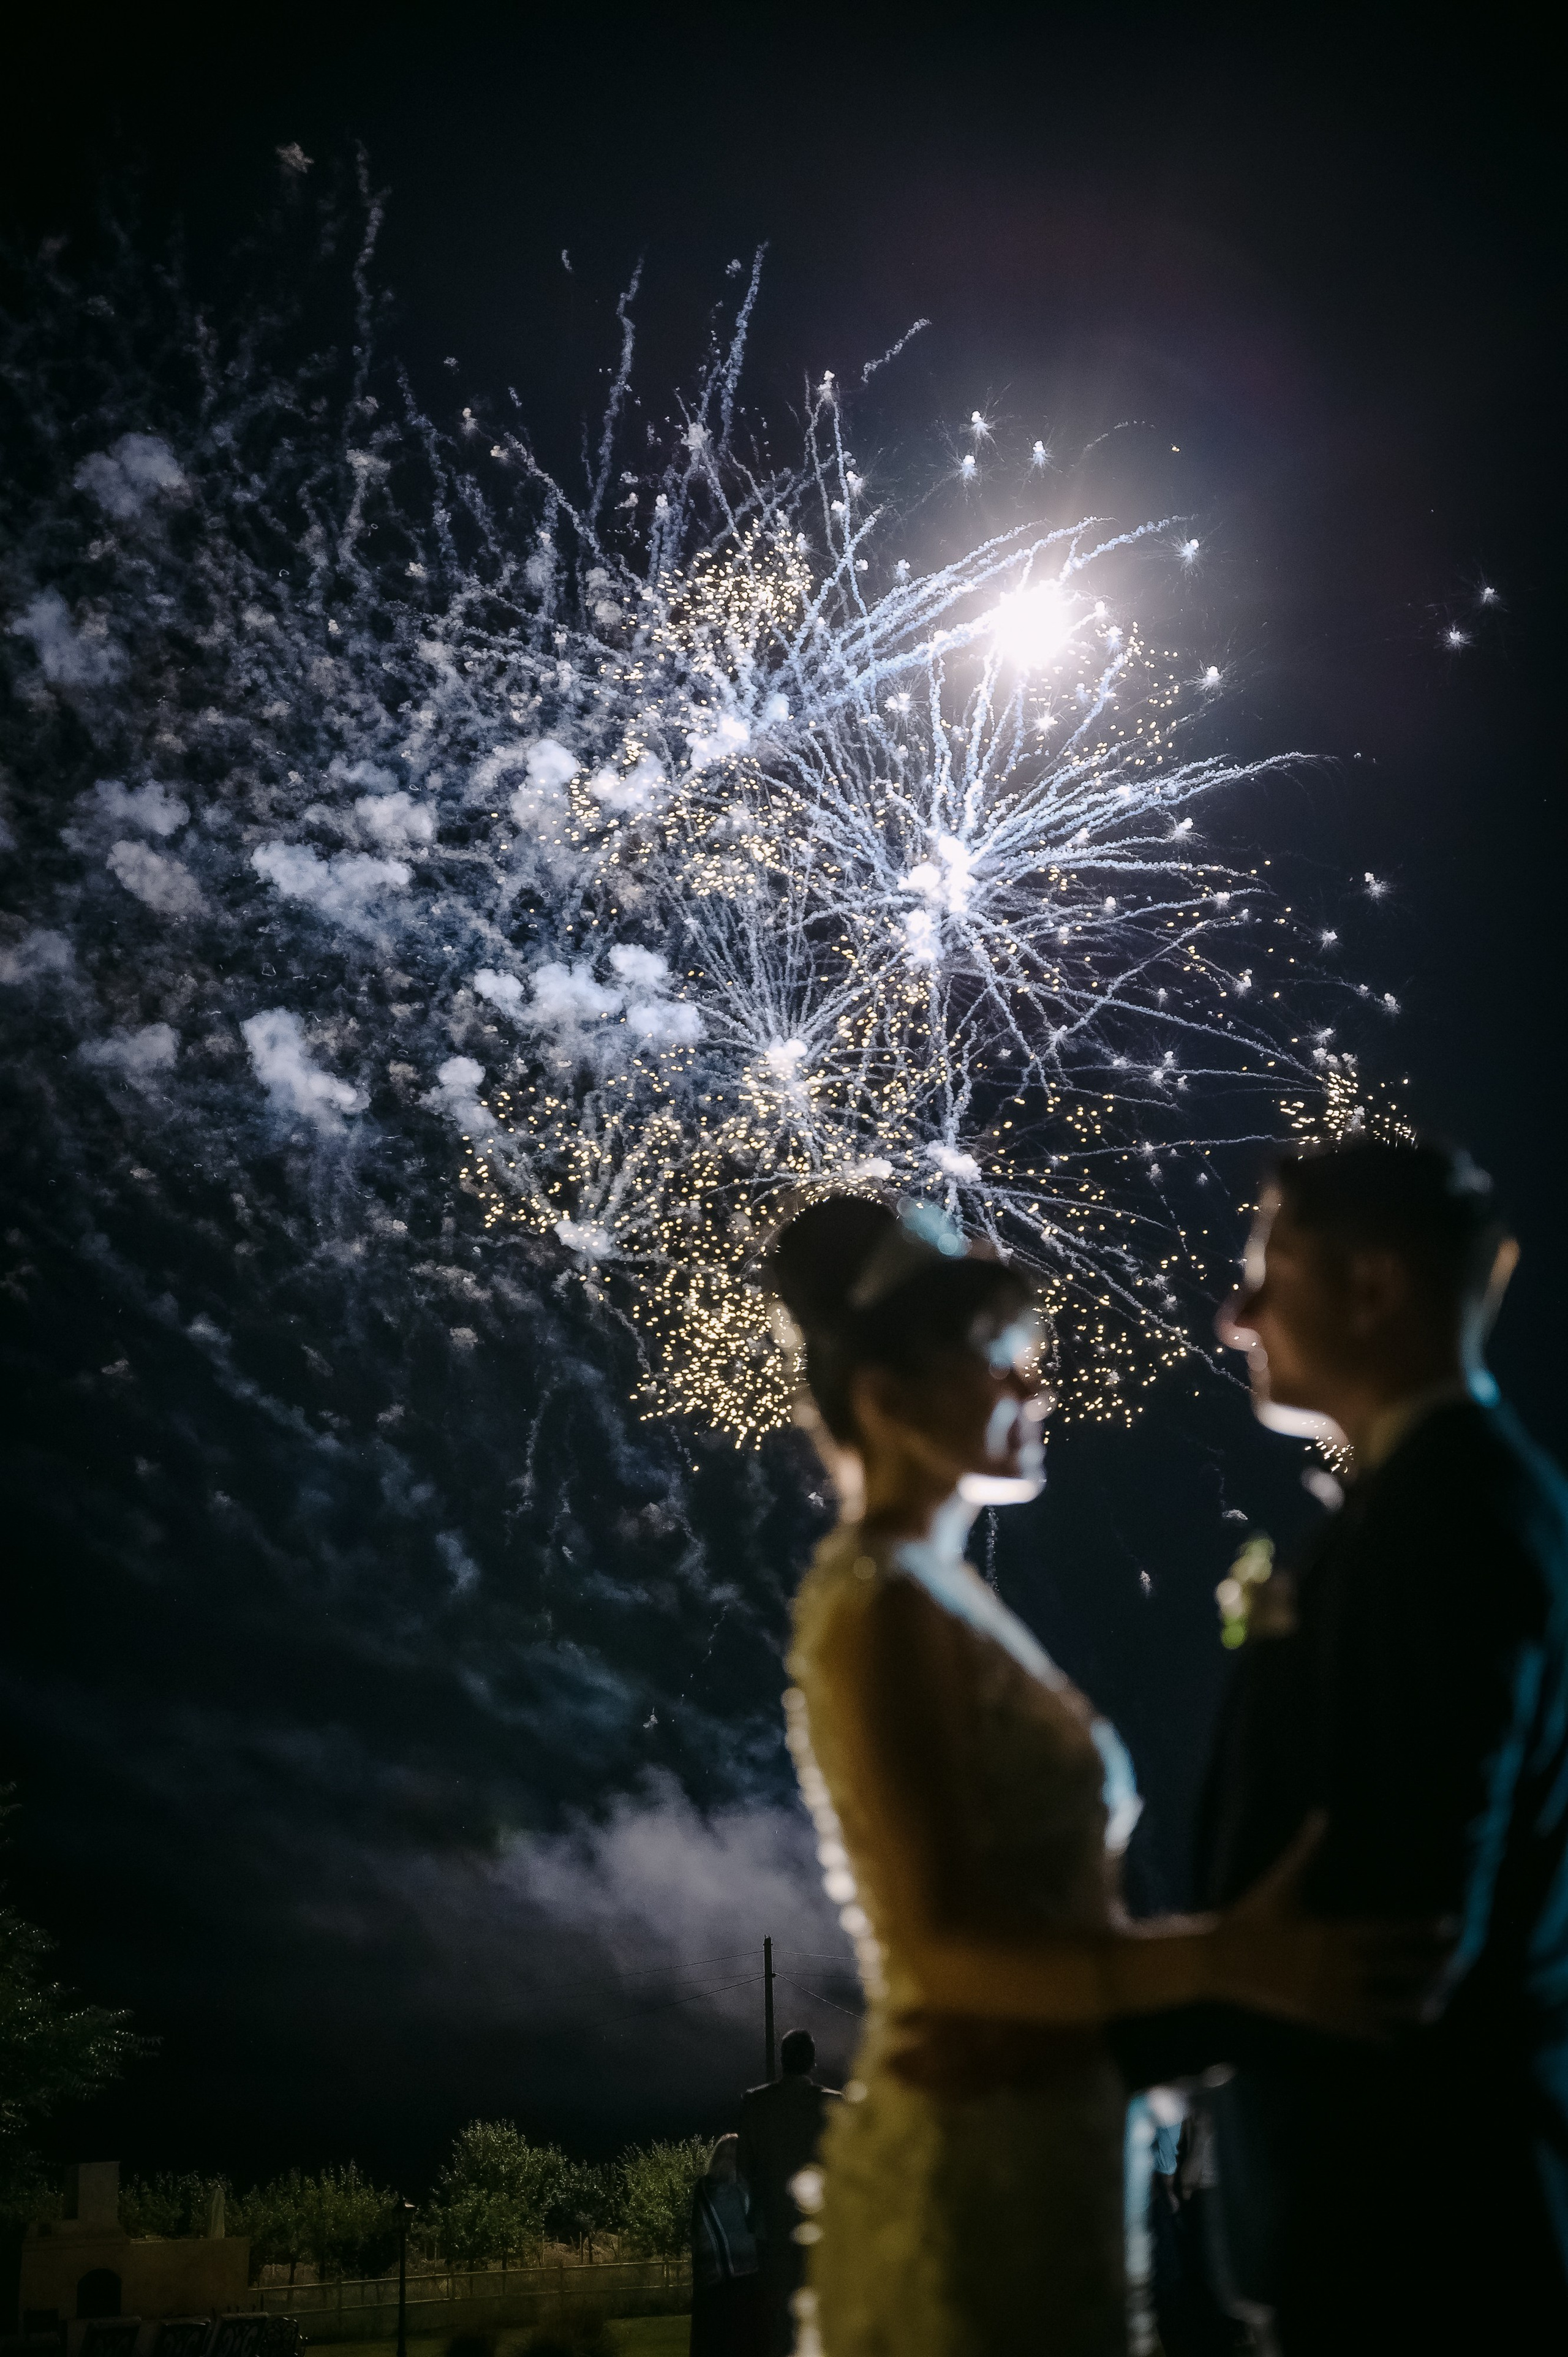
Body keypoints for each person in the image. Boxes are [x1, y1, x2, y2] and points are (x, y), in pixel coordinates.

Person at [765, 1193, 1446, 2357]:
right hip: (969, 2172)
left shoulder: (946, 1599)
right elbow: (943, 1950)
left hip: (1055, 2139)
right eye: (999, 1364)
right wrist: (1233, 1958)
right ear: (885, 1398)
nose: (1037, 1392)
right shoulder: (878, 1610)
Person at [1107, 1134, 1568, 2352]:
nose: (1230, 1315)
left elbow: (1389, 1937)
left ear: (1370, 1288)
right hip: (1379, 2213)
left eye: (1266, 1269)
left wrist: (1102, 2023)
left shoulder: (1452, 1522)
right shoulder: (1422, 1503)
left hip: (1414, 2227)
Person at [736, 2031, 840, 2355]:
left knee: (778, 2324)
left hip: (773, 2229)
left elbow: (744, 2166)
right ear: (812, 2060)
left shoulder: (756, 2103)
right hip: (823, 2231)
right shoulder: (832, 2104)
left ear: (783, 2060)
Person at [690, 2133, 762, 2357]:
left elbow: (698, 2234)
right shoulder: (749, 2189)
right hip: (747, 2284)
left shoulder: (703, 2189)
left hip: (713, 2287)